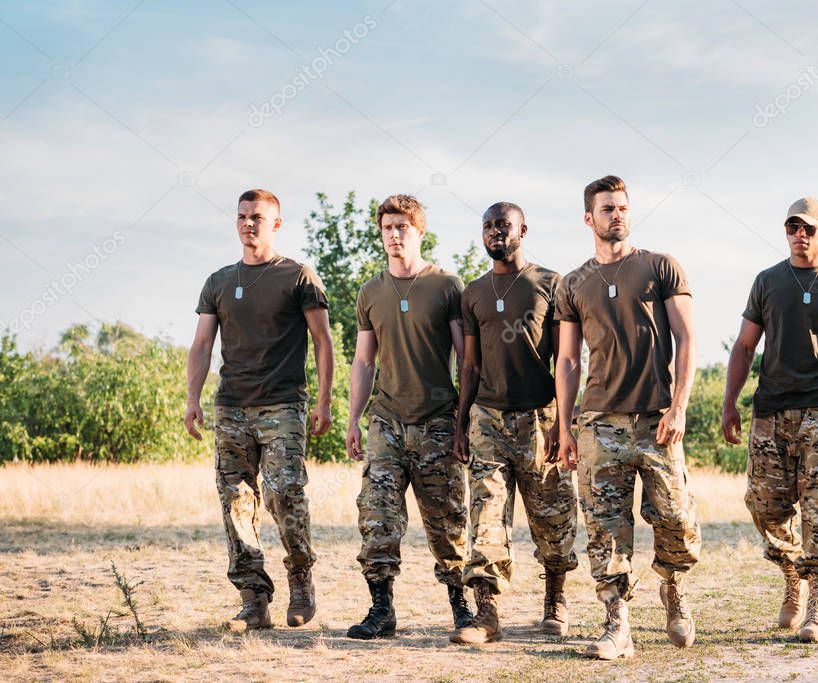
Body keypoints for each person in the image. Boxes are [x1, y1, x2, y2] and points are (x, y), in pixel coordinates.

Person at [555, 175, 702, 660]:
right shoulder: (573, 284)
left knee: (676, 520)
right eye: (606, 208)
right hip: (599, 422)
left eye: (622, 207)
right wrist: (564, 428)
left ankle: (673, 587)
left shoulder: (661, 267)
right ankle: (617, 623)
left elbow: (687, 340)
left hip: (657, 419)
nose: (616, 214)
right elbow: (568, 361)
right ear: (588, 218)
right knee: (604, 528)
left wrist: (679, 406)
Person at [722, 197, 818, 644]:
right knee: (765, 506)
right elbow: (745, 346)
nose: (800, 234)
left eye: (808, 228)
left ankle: (817, 607)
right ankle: (792, 572)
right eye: (793, 227)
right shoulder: (767, 281)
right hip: (770, 411)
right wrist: (730, 403)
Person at [185, 188, 334, 632]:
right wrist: (192, 399)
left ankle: (301, 581)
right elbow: (201, 345)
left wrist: (324, 399)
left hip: (284, 405)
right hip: (231, 407)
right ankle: (254, 599)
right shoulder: (218, 281)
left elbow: (323, 342)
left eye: (258, 217)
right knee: (235, 501)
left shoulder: (298, 276)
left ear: (276, 224)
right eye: (242, 216)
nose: (249, 223)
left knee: (285, 492)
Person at [449, 202, 579, 645]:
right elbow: (469, 365)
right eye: (487, 226)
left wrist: (564, 424)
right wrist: (460, 422)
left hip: (539, 417)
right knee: (485, 516)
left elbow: (565, 359)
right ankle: (487, 613)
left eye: (502, 225)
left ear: (522, 229)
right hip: (487, 419)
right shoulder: (473, 292)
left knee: (553, 518)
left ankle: (555, 601)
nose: (494, 232)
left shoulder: (550, 284)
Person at [345, 194, 472, 639]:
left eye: (402, 227)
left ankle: (462, 607)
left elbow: (465, 357)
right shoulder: (370, 291)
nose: (394, 235)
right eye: (387, 228)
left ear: (420, 232)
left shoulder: (447, 286)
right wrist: (353, 418)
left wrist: (463, 421)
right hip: (386, 422)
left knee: (446, 520)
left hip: (438, 421)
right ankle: (381, 610)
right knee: (377, 516)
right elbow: (364, 362)